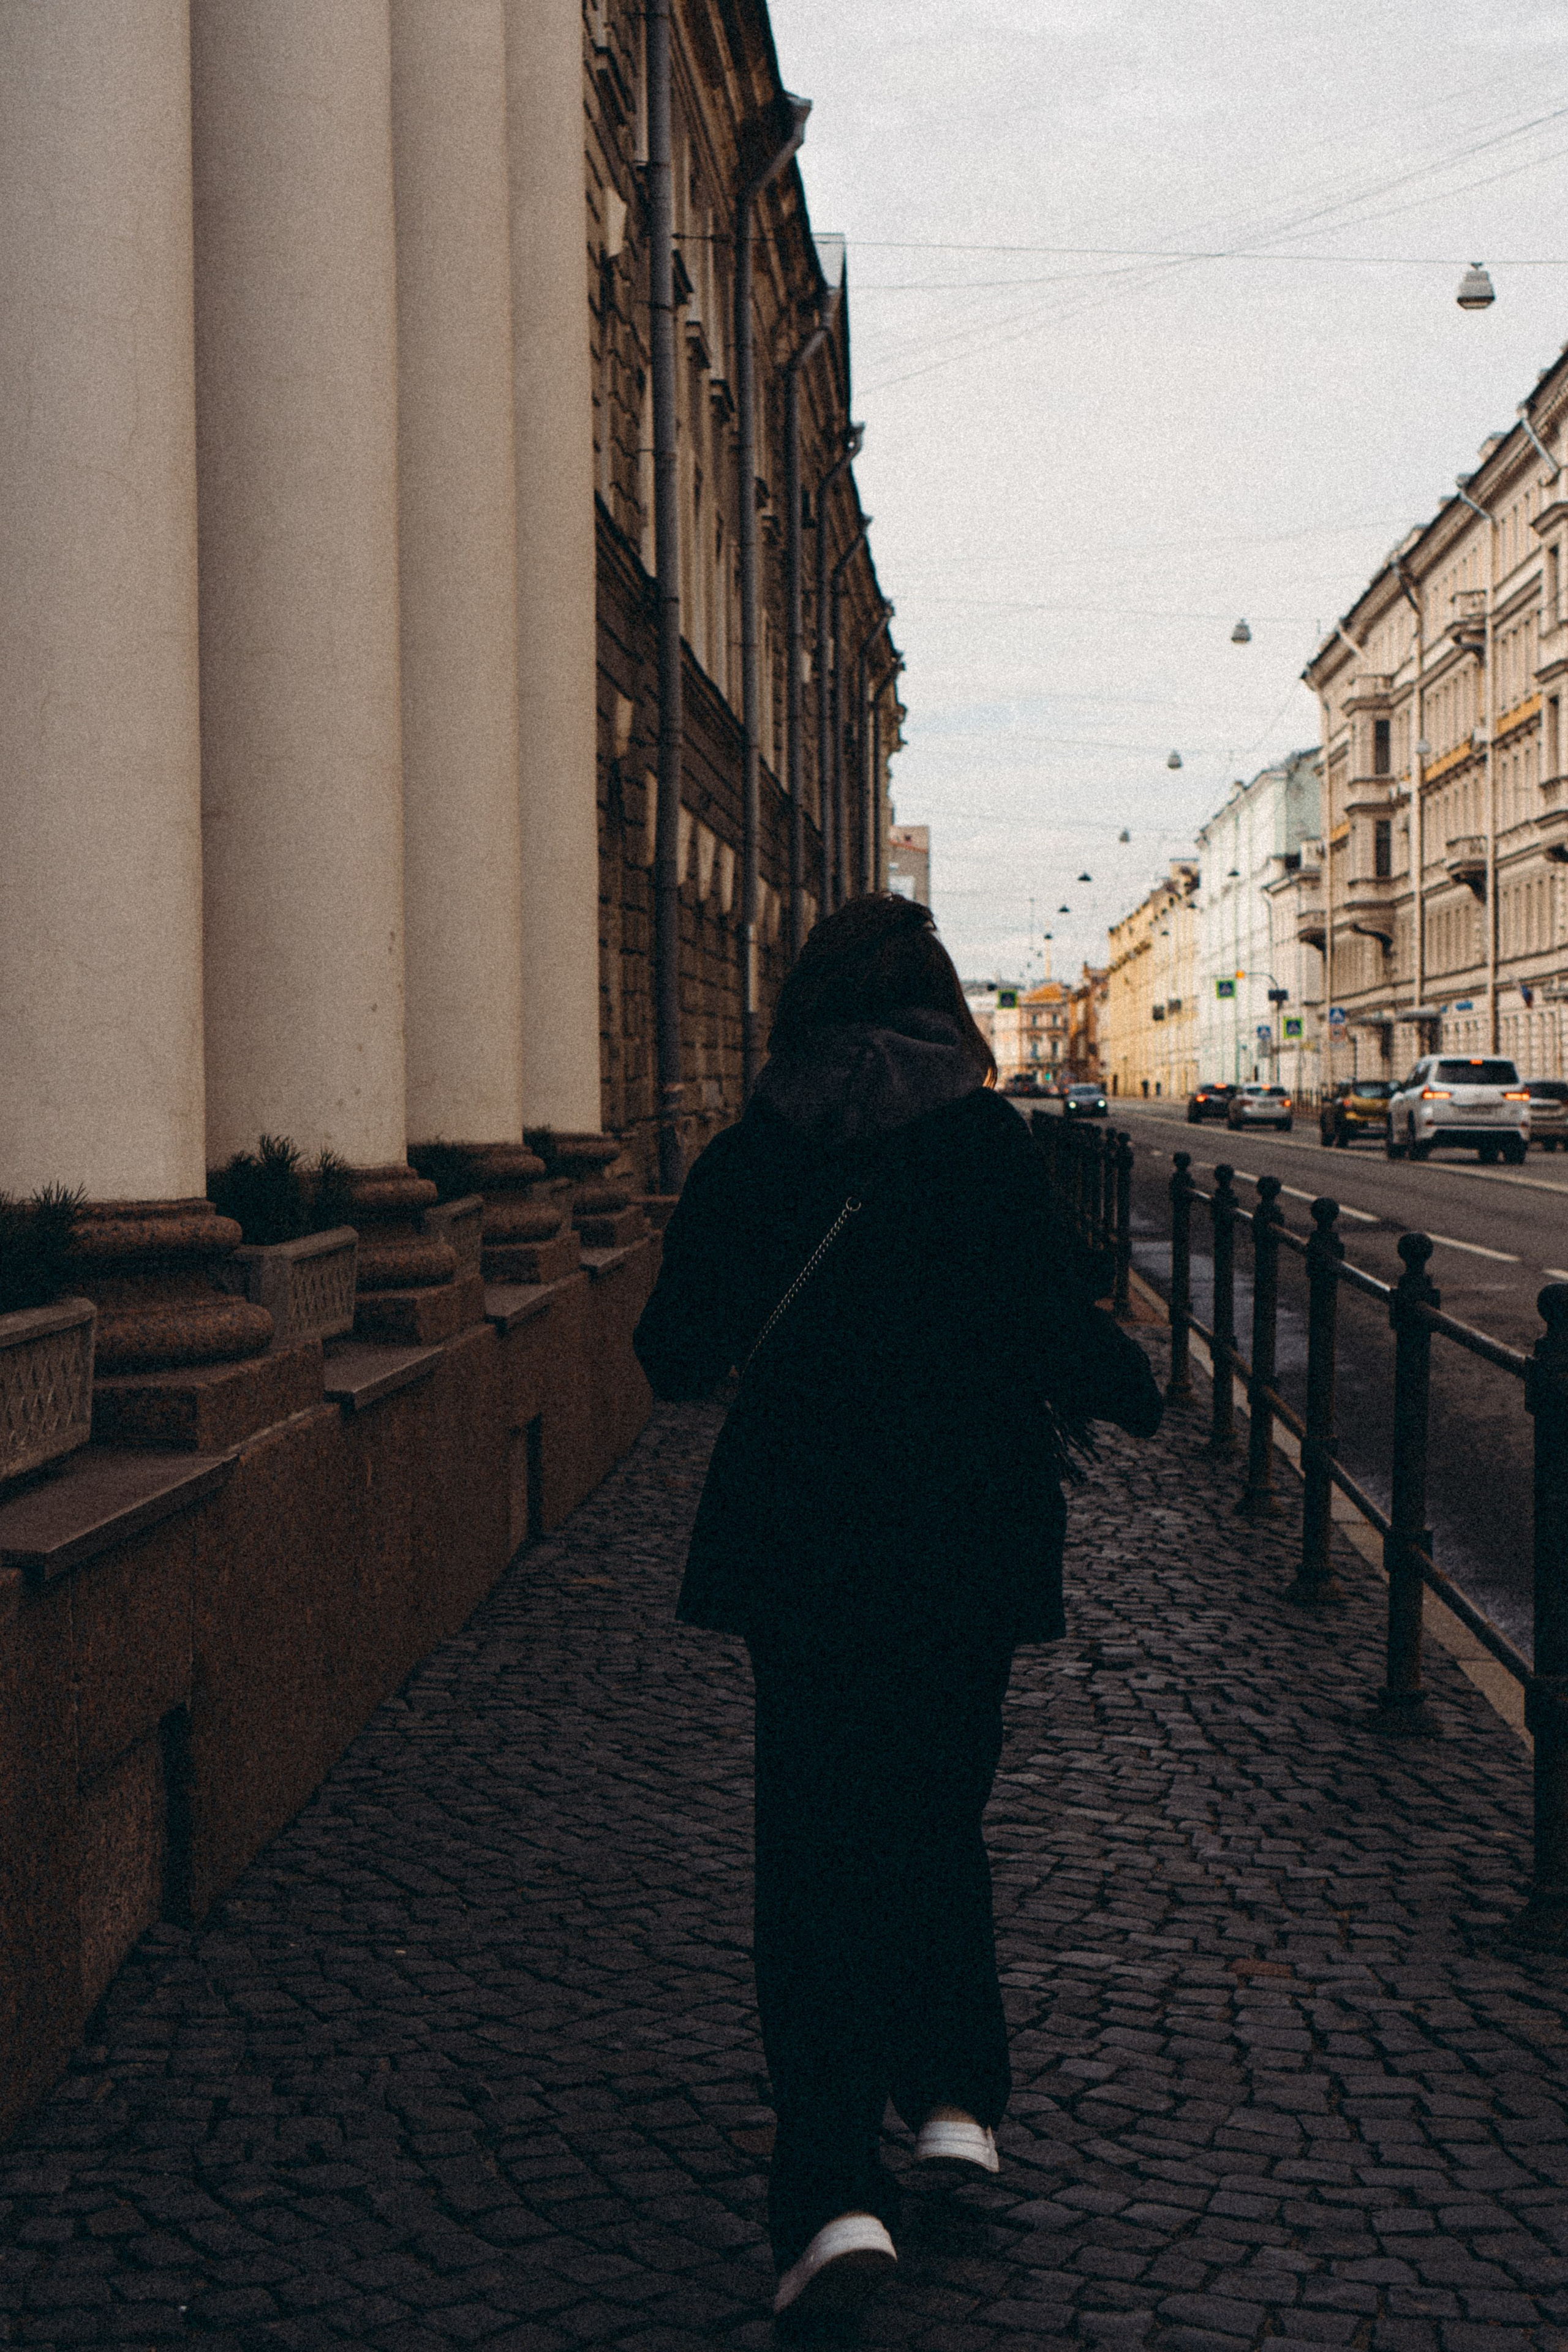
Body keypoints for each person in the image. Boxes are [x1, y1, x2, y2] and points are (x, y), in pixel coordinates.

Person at [633, 895, 1162, 2321]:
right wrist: (1126, 1385)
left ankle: (829, 2198)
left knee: (814, 1850)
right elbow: (1052, 1323)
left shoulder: (756, 1152)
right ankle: (953, 2102)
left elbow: (671, 1353)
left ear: (803, 1007)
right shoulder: (983, 1145)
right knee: (932, 1813)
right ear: (942, 1011)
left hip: (805, 1553)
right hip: (963, 1544)